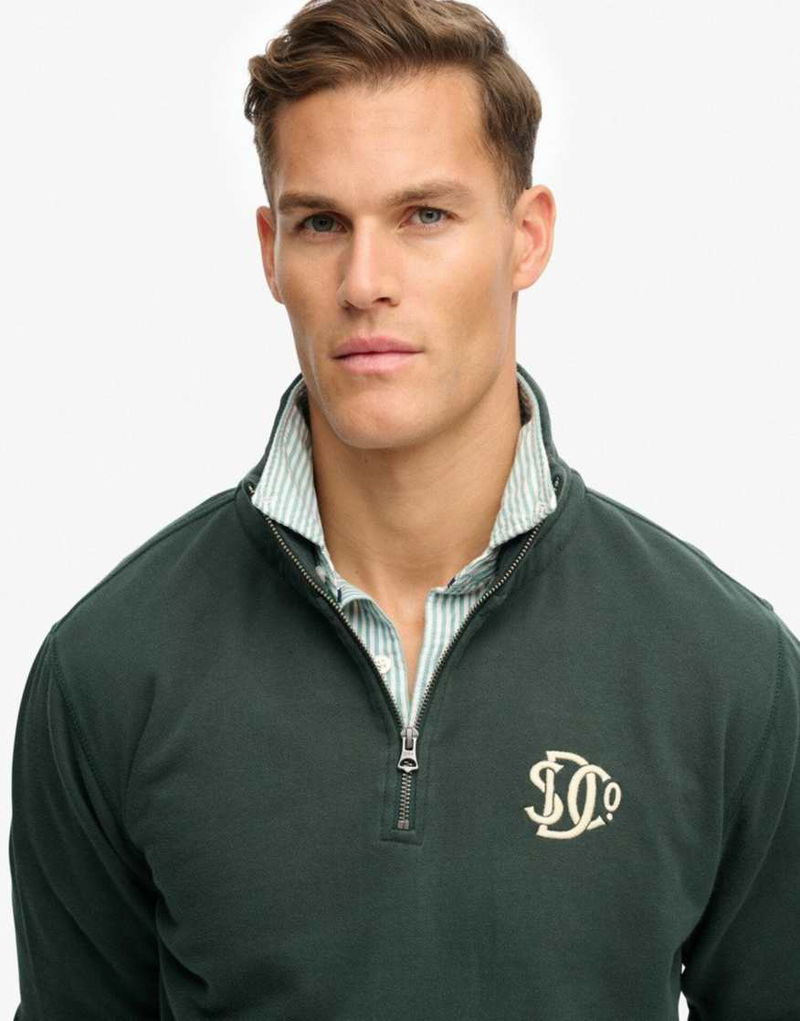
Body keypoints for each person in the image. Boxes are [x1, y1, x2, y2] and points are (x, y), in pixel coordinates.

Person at [9, 0, 799, 1017]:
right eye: (321, 223)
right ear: (270, 250)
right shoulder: (109, 668)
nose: (364, 281)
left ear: (525, 239)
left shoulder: (726, 671)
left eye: (424, 215)